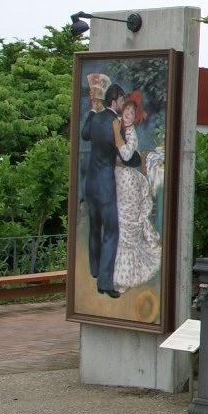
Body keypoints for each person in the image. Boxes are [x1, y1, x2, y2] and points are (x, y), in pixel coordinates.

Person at [112, 91, 162, 291]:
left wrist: (116, 136)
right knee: (117, 227)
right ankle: (117, 274)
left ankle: (125, 277)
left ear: (136, 116)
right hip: (115, 179)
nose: (128, 114)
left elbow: (125, 155)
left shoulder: (130, 134)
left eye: (132, 112)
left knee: (127, 227)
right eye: (127, 110)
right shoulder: (118, 126)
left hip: (127, 182)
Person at [82, 84, 124, 298]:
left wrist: (92, 110)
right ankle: (105, 283)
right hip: (106, 184)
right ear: (114, 101)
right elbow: (123, 152)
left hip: (90, 183)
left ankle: (95, 271)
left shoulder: (95, 118)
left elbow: (84, 135)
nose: (123, 104)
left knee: (94, 227)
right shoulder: (116, 123)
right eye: (122, 100)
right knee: (111, 231)